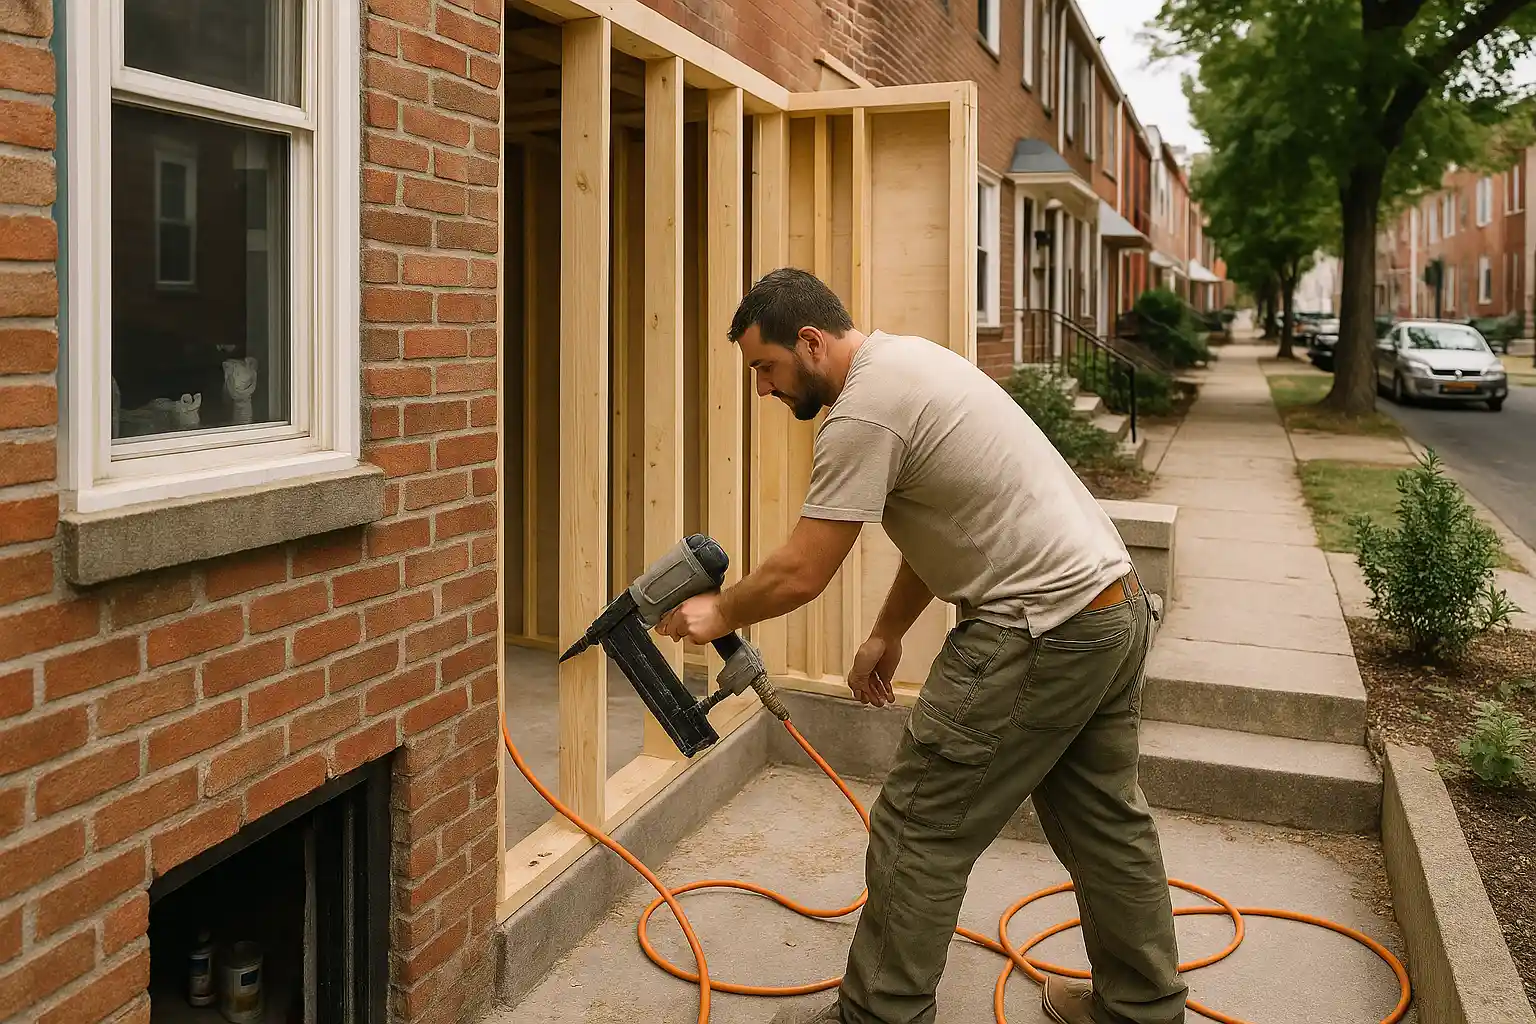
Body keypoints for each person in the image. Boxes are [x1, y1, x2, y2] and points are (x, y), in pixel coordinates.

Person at [655, 267, 1187, 1024]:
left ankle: (879, 1016)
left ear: (809, 341)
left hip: (1036, 631)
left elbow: (802, 571)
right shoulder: (909, 363)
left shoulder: (863, 414)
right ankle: (1145, 1009)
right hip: (1110, 609)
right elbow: (945, 518)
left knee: (917, 826)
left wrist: (717, 612)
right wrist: (887, 631)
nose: (763, 390)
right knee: (1105, 821)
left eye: (765, 367)